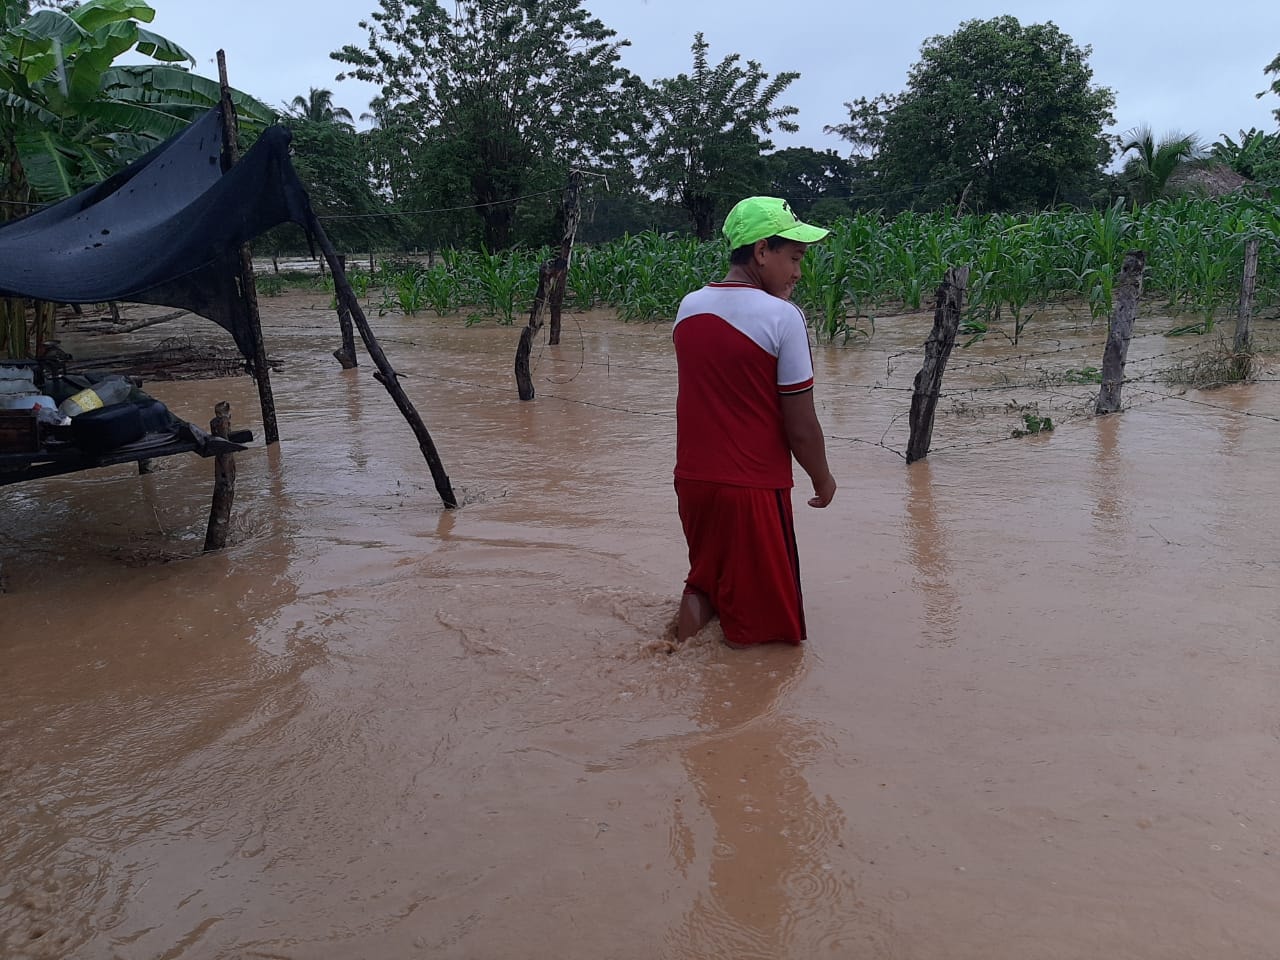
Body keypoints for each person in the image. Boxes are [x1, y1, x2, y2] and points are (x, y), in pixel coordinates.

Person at [672, 196, 837, 648]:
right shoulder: (783, 318)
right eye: (795, 258)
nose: (799, 273)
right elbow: (800, 422)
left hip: (692, 481)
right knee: (774, 635)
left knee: (705, 583)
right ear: (762, 252)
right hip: (752, 488)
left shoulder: (688, 306)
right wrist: (822, 479)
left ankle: (676, 656)